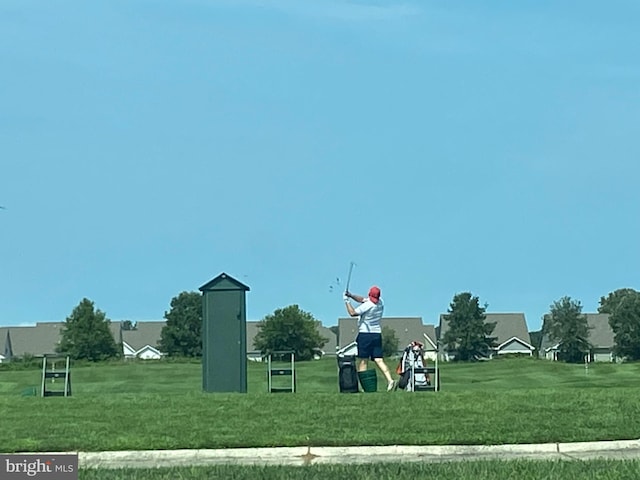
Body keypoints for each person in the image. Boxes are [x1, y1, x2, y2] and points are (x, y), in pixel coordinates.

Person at [343, 285, 395, 391]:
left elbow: (352, 313)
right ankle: (390, 380)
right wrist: (351, 295)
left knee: (363, 361)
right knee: (379, 359)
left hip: (365, 335)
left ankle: (364, 386)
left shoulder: (368, 305)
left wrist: (347, 301)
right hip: (376, 334)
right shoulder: (380, 303)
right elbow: (362, 299)